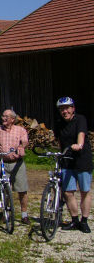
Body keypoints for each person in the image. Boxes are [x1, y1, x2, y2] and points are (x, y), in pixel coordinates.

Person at [55, 97, 92, 233]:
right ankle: (75, 220)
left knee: (84, 191)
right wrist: (60, 154)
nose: (65, 111)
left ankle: (84, 221)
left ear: (73, 108)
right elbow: (60, 141)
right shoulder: (59, 123)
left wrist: (79, 144)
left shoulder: (80, 119)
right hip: (67, 160)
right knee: (68, 192)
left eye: (67, 108)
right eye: (62, 109)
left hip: (82, 160)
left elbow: (81, 134)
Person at [0, 109, 30, 225]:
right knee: (4, 189)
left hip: (17, 163)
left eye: (7, 116)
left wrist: (21, 147)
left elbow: (25, 141)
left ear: (13, 119)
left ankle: (24, 214)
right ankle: (5, 212)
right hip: (2, 162)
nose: (4, 118)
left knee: (22, 189)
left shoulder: (20, 130)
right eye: (3, 116)